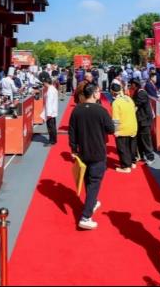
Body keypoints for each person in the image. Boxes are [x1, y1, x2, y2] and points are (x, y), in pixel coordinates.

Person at [68, 84, 115, 230]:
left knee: (88, 180)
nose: (99, 94)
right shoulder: (101, 110)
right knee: (94, 183)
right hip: (98, 152)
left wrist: (73, 149)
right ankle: (86, 216)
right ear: (94, 94)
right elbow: (111, 129)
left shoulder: (77, 110)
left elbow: (72, 132)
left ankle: (92, 202)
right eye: (98, 91)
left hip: (83, 152)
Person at [110, 83, 138, 173]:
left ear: (112, 92)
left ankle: (126, 166)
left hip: (123, 128)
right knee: (132, 146)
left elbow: (115, 119)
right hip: (133, 126)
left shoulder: (116, 103)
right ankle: (133, 162)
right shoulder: (128, 98)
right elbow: (134, 109)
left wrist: (115, 130)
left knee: (122, 148)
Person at [131, 79, 155, 163]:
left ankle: (150, 157)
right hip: (140, 119)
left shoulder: (141, 93)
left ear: (135, 84)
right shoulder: (137, 92)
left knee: (145, 139)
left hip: (145, 120)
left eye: (131, 84)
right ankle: (141, 155)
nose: (130, 86)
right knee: (140, 139)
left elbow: (135, 105)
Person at [41, 76, 59, 145]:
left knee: (51, 127)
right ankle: (53, 139)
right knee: (52, 126)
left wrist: (48, 114)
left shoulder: (50, 90)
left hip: (50, 112)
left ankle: (52, 140)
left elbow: (49, 102)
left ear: (46, 83)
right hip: (52, 111)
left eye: (43, 83)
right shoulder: (52, 89)